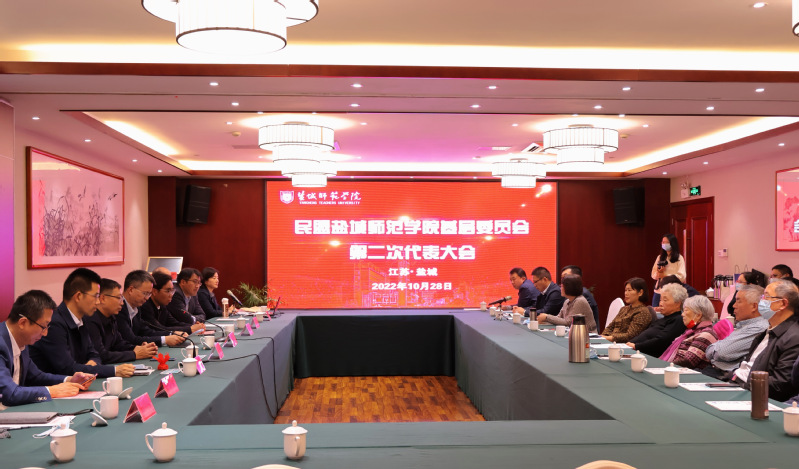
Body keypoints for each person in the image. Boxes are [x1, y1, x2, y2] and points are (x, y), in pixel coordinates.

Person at [29, 268, 135, 378]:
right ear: (78, 296)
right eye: (95, 296)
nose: (98, 301)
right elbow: (67, 368)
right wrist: (114, 371)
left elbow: (94, 354)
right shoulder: (54, 324)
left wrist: (93, 364)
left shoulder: (82, 319)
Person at [1, 290, 93, 408]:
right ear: (23, 323)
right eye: (43, 327)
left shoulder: (22, 341)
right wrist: (52, 391)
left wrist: (69, 380)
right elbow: (9, 394)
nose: (45, 333)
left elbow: (37, 377)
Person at [731, 279, 799, 401]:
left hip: (757, 397)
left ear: (783, 304)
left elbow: (780, 384)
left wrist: (746, 384)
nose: (761, 301)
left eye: (766, 297)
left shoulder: (794, 337)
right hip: (739, 385)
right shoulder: (768, 330)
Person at [84, 278, 158, 364]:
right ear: (103, 298)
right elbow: (100, 355)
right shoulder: (90, 319)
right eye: (119, 298)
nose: (122, 303)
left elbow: (119, 343)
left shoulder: (111, 317)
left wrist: (137, 348)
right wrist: (134, 354)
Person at [703, 285, 768, 379]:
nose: (734, 305)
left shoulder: (758, 327)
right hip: (716, 371)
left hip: (725, 376)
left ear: (754, 306)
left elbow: (722, 353)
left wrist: (715, 348)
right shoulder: (744, 325)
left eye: (738, 301)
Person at [116, 270, 187, 348]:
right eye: (145, 293)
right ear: (131, 290)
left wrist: (171, 334)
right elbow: (131, 339)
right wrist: (165, 340)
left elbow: (145, 331)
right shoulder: (118, 309)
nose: (147, 298)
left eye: (149, 294)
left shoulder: (136, 307)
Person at [627, 283, 688, 357]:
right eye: (660, 300)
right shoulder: (661, 320)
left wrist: (636, 346)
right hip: (634, 351)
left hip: (649, 357)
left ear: (678, 303)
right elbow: (643, 336)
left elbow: (662, 341)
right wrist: (628, 345)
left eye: (665, 300)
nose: (660, 304)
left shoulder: (678, 320)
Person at [660, 295, 718, 370]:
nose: (682, 314)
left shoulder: (706, 335)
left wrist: (664, 367)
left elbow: (688, 361)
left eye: (686, 310)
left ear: (698, 315)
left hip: (684, 374)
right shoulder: (692, 331)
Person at [141, 272, 205, 334]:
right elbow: (159, 328)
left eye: (172, 290)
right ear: (154, 291)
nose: (171, 295)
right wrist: (190, 329)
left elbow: (173, 323)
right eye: (168, 291)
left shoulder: (162, 306)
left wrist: (193, 326)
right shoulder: (145, 306)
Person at [602, 278, 653, 343]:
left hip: (624, 345)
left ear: (640, 292)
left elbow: (630, 336)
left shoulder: (643, 312)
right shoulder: (624, 309)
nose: (626, 293)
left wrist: (608, 338)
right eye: (625, 290)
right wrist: (602, 337)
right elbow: (610, 327)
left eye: (629, 290)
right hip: (611, 342)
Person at [651, 233, 686, 307]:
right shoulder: (660, 257)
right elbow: (653, 275)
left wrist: (665, 276)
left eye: (667, 242)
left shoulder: (679, 258)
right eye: (663, 242)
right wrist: (659, 273)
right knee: (656, 311)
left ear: (672, 243)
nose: (664, 244)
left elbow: (682, 276)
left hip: (673, 291)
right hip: (659, 290)